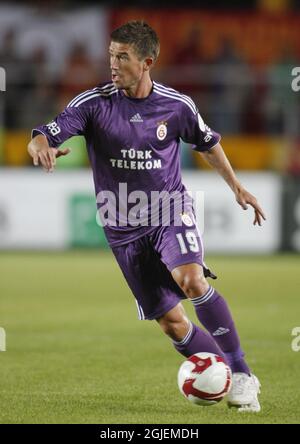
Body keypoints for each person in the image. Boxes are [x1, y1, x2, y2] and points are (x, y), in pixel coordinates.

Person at [28, 21, 266, 412]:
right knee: (173, 324)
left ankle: (241, 374)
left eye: (122, 57)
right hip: (121, 228)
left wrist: (237, 186)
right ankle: (221, 371)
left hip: (168, 210)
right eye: (111, 55)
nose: (113, 64)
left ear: (147, 61)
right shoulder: (93, 103)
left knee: (190, 279)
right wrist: (40, 145)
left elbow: (208, 144)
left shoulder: (177, 106)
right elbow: (47, 131)